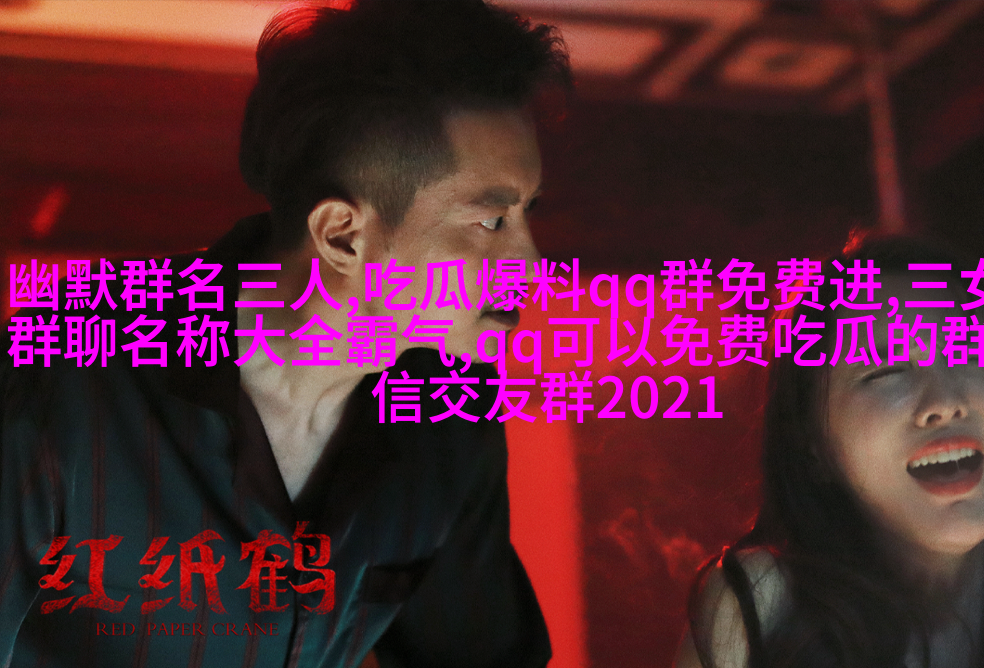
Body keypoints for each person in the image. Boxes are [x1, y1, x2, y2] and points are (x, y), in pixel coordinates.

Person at [0, 1, 569, 666]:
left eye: (528, 213)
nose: (530, 262)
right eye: (491, 222)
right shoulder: (62, 360)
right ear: (342, 236)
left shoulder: (448, 409)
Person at [675, 235, 984, 668]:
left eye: (971, 351)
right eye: (886, 371)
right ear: (813, 447)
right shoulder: (765, 608)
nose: (944, 403)